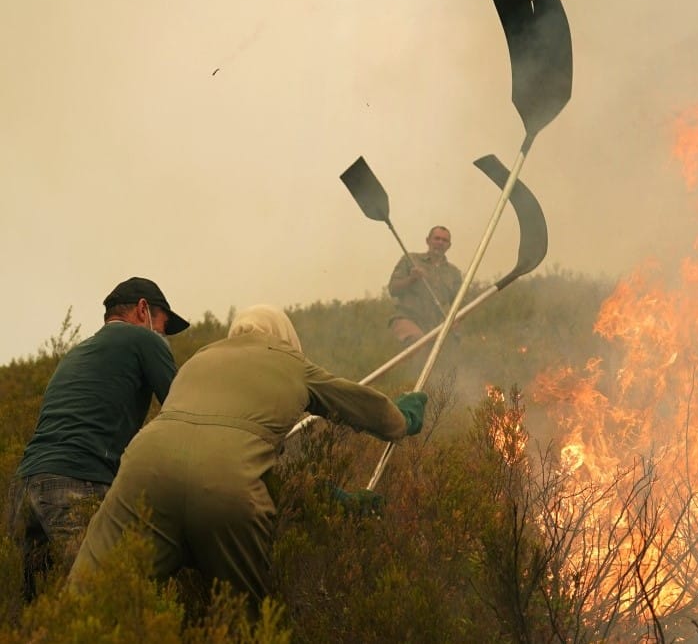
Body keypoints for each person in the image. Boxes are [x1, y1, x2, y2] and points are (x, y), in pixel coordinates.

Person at [69, 304, 426, 609]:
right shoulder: (291, 362)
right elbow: (359, 405)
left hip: (144, 466)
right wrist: (401, 419)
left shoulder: (200, 358)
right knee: (242, 618)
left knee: (91, 600)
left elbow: (205, 437)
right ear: (285, 337)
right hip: (227, 481)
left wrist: (330, 497)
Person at [6, 276, 189, 601]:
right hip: (75, 486)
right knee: (108, 601)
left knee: (37, 610)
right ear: (143, 310)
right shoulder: (144, 340)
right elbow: (184, 411)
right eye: (162, 325)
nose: (163, 335)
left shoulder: (77, 353)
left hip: (24, 489)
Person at [387, 225, 463, 347]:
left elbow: (460, 304)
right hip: (407, 319)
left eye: (444, 240)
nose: (440, 243)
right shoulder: (410, 260)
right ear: (428, 240)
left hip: (436, 326)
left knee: (449, 352)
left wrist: (456, 320)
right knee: (419, 342)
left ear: (449, 246)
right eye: (436, 239)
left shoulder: (454, 273)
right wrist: (411, 279)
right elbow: (393, 289)